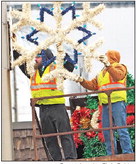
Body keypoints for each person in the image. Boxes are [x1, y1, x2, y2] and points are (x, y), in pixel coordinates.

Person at [13, 47, 77, 161]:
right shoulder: (33, 71)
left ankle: (70, 158)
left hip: (57, 107)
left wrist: (63, 53)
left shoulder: (56, 70)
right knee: (49, 138)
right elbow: (21, 64)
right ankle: (55, 160)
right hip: (43, 109)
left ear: (46, 57)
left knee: (65, 134)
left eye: (38, 57)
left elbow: (69, 68)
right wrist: (15, 49)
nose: (35, 60)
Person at [77, 50, 133, 155]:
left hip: (117, 102)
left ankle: (128, 154)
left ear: (112, 57)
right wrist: (81, 80)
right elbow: (92, 85)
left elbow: (117, 76)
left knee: (122, 130)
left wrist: (108, 65)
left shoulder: (120, 67)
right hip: (106, 105)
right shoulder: (102, 72)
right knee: (107, 132)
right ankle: (111, 154)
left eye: (107, 55)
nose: (105, 56)